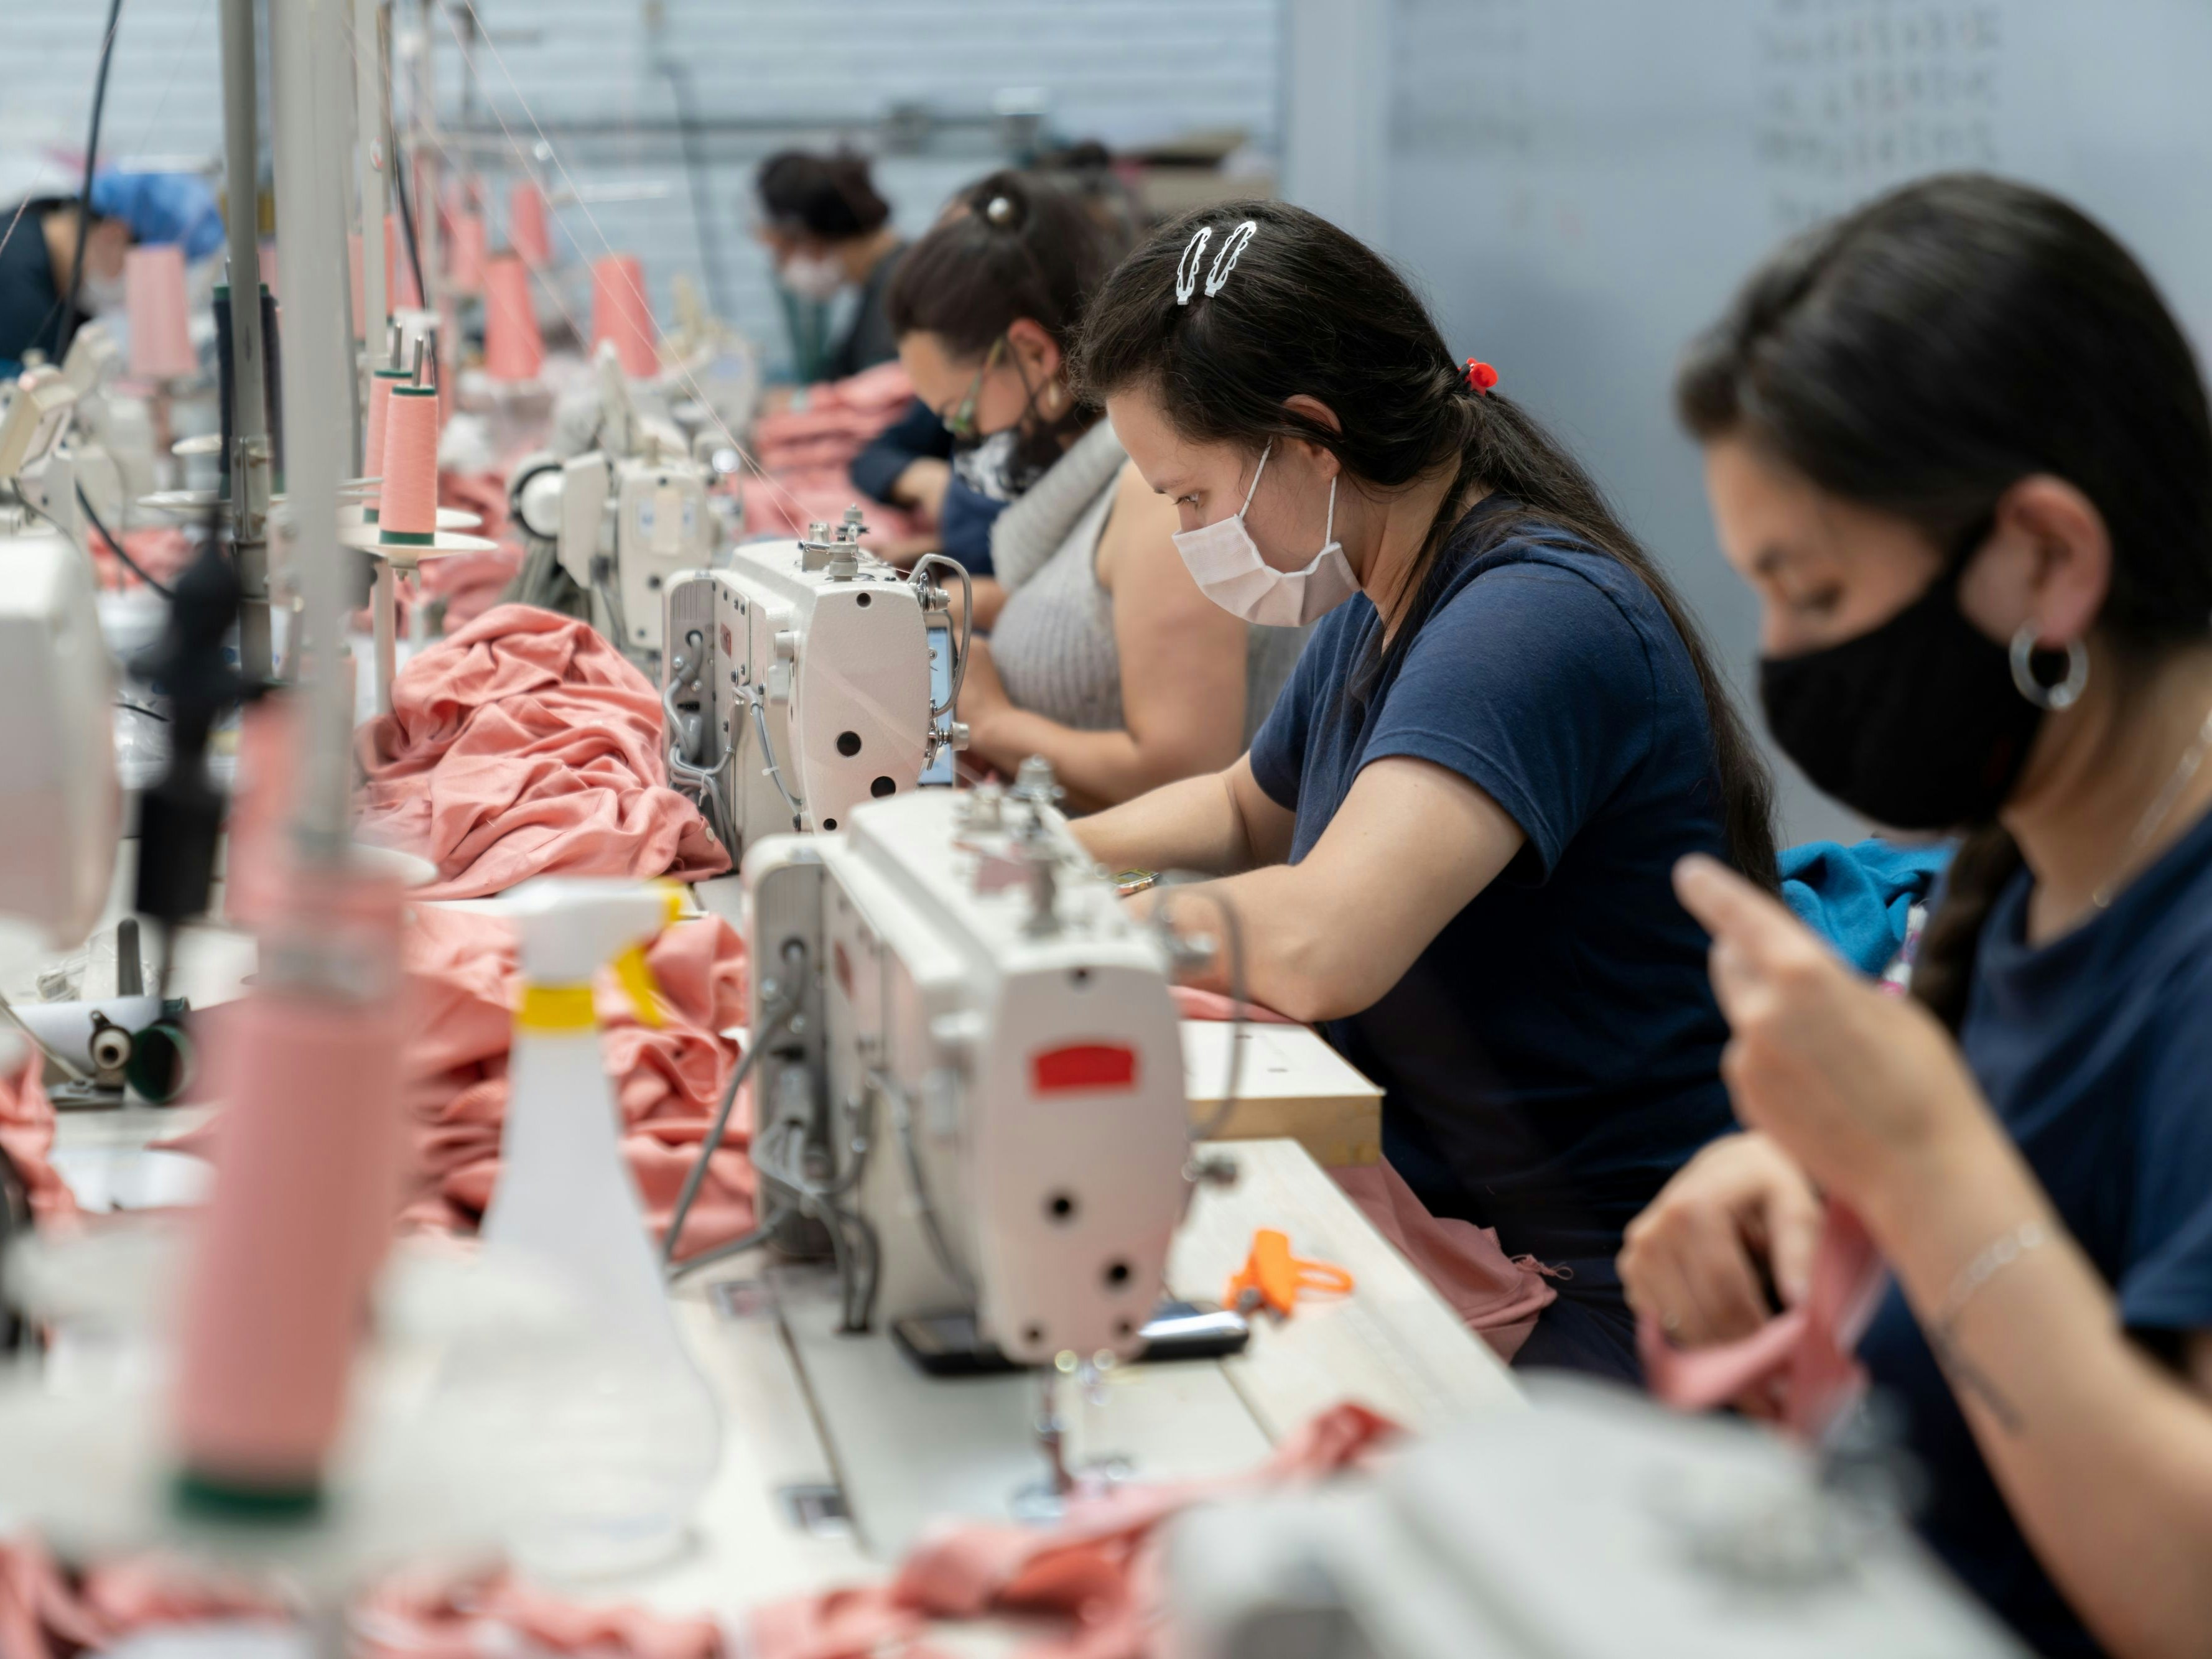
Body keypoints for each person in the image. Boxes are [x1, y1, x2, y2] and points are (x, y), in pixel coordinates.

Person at [1616, 174, 2212, 1659]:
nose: (1786, 658)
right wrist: (1803, 1175)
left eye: (1813, 593)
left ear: (2049, 561)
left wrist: (1915, 1160)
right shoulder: (2038, 854)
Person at [1069, 201, 1779, 1377]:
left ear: (1308, 437)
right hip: (1448, 1206)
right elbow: (1249, 806)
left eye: (1191, 497)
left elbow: (1320, 942)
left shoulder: (1529, 620)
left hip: (1593, 1290)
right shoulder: (1384, 590)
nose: (1189, 530)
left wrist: (1071, 922)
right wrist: (1020, 852)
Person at [887, 172, 1303, 809]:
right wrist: (966, 604)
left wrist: (992, 723)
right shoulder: (1086, 489)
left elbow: (1183, 772)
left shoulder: (1159, 496)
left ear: (1030, 352)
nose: (963, 438)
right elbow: (1095, 605)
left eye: (961, 413)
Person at [753, 149, 907, 385]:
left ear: (812, 237)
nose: (782, 266)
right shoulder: (882, 284)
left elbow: (886, 408)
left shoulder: (900, 292)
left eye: (782, 251)